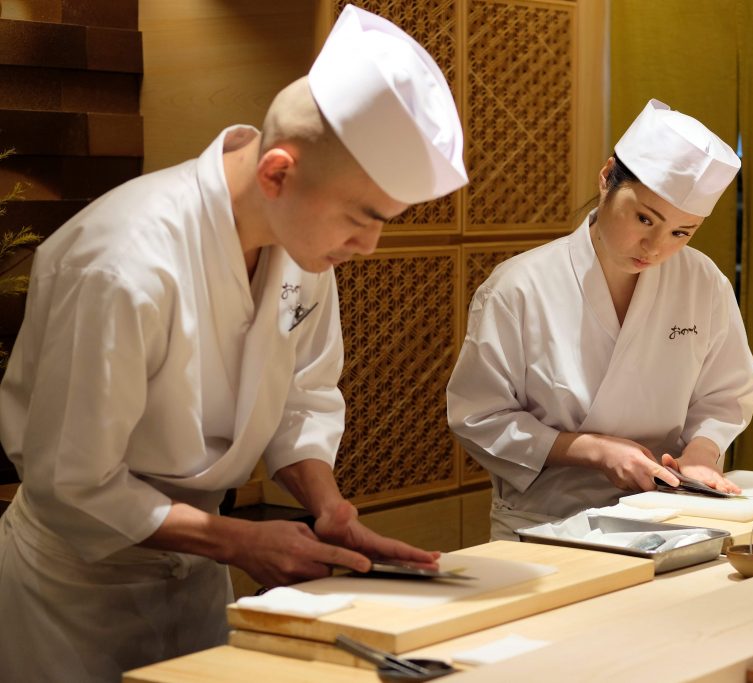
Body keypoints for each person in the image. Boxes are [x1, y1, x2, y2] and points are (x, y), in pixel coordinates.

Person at [0, 6, 467, 681]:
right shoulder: (122, 262)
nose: (369, 246)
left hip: (198, 577)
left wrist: (327, 505)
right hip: (73, 595)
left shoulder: (303, 247)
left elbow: (302, 395)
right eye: (362, 217)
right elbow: (73, 480)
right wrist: (237, 538)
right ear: (278, 172)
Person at [447, 99, 753, 541]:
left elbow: (725, 393)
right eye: (644, 218)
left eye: (681, 232)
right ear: (606, 177)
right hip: (547, 524)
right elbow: (480, 417)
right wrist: (593, 451)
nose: (654, 246)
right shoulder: (519, 286)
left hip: (670, 517)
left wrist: (700, 457)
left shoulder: (701, 280)